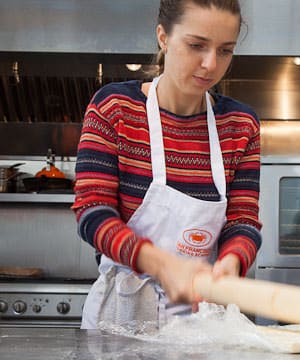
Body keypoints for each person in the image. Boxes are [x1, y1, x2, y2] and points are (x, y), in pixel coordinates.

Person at [72, 0, 261, 329]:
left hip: (203, 317)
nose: (210, 64)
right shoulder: (115, 108)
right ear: (163, 37)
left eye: (225, 50)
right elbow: (92, 211)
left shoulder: (240, 124)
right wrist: (161, 265)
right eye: (196, 45)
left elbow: (242, 223)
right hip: (122, 318)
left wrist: (230, 263)